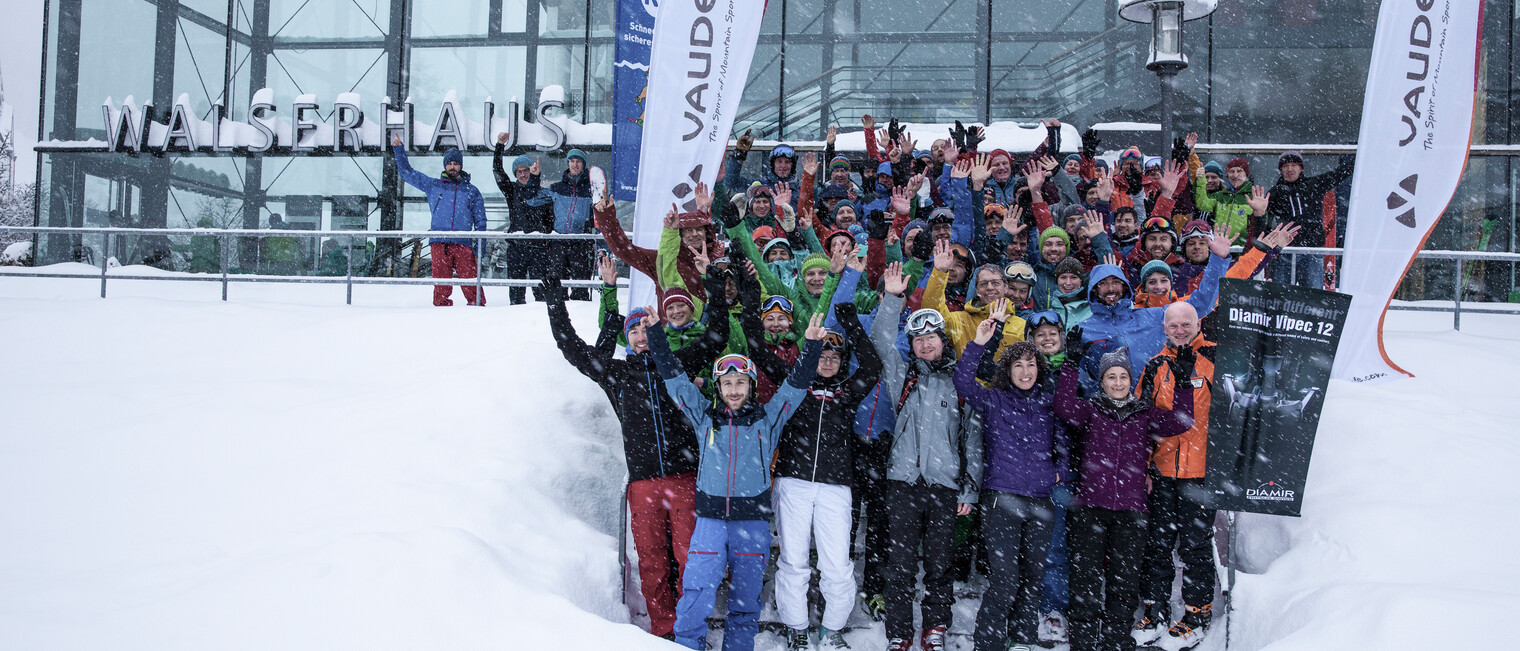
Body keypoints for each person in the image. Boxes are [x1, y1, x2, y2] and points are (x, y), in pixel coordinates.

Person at [541, 273, 717, 640]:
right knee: (652, 562)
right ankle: (664, 629)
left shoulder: (677, 364)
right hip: (643, 482)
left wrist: (714, 284)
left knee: (690, 560)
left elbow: (715, 337)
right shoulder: (617, 374)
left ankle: (690, 630)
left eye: (646, 328)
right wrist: (556, 304)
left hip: (685, 476)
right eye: (633, 331)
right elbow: (571, 347)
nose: (640, 336)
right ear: (628, 339)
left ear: (658, 331)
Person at [647, 305, 825, 651]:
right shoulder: (705, 418)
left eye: (740, 382)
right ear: (718, 387)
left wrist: (812, 347)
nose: (733, 389)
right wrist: (656, 335)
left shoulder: (767, 420)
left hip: (752, 523)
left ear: (751, 385)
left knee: (745, 600)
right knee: (697, 590)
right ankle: (687, 644)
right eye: (726, 383)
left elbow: (795, 388)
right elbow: (675, 382)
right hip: (710, 520)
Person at [1054, 337, 1196, 651]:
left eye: (1123, 377)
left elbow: (1183, 420)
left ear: (1131, 382)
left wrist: (1184, 380)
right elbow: (1063, 407)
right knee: (1085, 580)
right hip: (1090, 507)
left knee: (1123, 582)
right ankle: (1083, 640)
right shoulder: (1090, 411)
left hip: (1131, 512)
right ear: (1102, 382)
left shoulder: (1144, 415)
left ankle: (1116, 638)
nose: (1118, 382)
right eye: (1111, 377)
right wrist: (1070, 363)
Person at [872, 263, 983, 651]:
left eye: (931, 337)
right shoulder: (903, 376)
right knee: (900, 565)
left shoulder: (962, 383)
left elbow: (972, 441)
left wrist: (969, 492)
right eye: (917, 339)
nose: (924, 344)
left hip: (944, 486)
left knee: (939, 564)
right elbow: (883, 341)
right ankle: (899, 632)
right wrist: (891, 299)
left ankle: (935, 627)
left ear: (942, 339)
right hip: (903, 482)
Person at [770, 303, 882, 651]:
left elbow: (874, 365)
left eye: (836, 355)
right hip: (793, 483)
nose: (829, 360)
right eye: (823, 353)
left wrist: (850, 323)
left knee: (837, 564)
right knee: (794, 561)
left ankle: (832, 629)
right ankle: (797, 626)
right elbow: (760, 352)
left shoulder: (846, 393)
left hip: (836, 486)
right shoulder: (795, 386)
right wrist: (809, 344)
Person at [956, 304, 1068, 651]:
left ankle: (1023, 637)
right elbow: (962, 381)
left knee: (1034, 576)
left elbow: (1062, 440)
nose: (1025, 371)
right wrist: (979, 344)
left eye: (1030, 364)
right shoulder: (993, 399)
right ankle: (988, 642)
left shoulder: (1049, 403)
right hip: (1001, 497)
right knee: (1005, 578)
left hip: (1040, 498)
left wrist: (1060, 471)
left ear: (1039, 368)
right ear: (1008, 370)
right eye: (1018, 364)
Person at [1132, 302, 1221, 651]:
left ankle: (1196, 614)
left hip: (1201, 473)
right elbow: (1140, 421)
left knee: (1195, 548)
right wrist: (1144, 467)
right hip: (1163, 472)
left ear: (1197, 323)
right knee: (1157, 546)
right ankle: (1155, 611)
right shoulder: (1155, 366)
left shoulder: (1215, 358)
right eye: (1174, 325)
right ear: (1165, 327)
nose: (1180, 330)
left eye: (1186, 324)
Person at [390, 133, 488, 306]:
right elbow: (407, 173)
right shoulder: (433, 185)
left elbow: (481, 222)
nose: (452, 167)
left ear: (460, 166)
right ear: (445, 165)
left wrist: (480, 248)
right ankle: (441, 314)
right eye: (449, 163)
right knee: (441, 285)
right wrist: (399, 150)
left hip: (463, 243)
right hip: (439, 243)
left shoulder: (472, 191)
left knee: (471, 282)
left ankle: (477, 309)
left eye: (455, 163)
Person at [1266, 150, 1355, 289]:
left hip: (1311, 250)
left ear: (1301, 168)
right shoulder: (1275, 192)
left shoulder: (1314, 185)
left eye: (1294, 165)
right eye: (1286, 166)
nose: (1290, 169)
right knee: (1280, 296)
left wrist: (1361, 154)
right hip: (1285, 251)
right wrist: (1268, 246)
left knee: (1312, 298)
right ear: (1281, 169)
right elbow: (1265, 221)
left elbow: (1340, 173)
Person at [492, 132, 554, 304]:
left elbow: (550, 219)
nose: (522, 174)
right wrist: (499, 146)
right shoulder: (511, 190)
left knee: (541, 293)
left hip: (538, 247)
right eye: (518, 172)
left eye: (525, 170)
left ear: (531, 170)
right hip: (517, 246)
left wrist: (547, 239)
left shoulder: (542, 193)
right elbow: (498, 172)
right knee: (516, 292)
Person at [549, 148, 597, 300]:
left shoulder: (591, 189)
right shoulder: (556, 188)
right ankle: (558, 318)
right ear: (567, 163)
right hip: (558, 242)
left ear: (583, 165)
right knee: (557, 290)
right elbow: (532, 199)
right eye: (572, 161)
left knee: (581, 289)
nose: (575, 164)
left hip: (580, 244)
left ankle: (580, 318)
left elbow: (599, 216)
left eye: (578, 161)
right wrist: (534, 178)